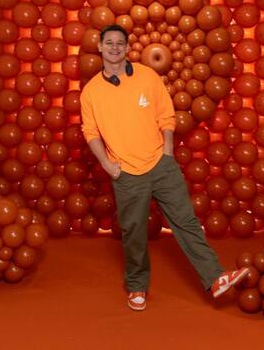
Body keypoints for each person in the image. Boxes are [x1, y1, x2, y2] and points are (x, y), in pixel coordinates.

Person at [80, 24, 249, 311]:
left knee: (186, 221)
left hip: (161, 164)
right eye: (109, 43)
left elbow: (166, 114)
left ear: (127, 47)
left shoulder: (147, 76)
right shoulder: (91, 92)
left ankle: (215, 278)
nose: (114, 47)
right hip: (126, 172)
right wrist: (107, 165)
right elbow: (90, 132)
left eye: (120, 43)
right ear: (100, 47)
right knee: (134, 233)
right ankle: (137, 286)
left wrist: (168, 152)